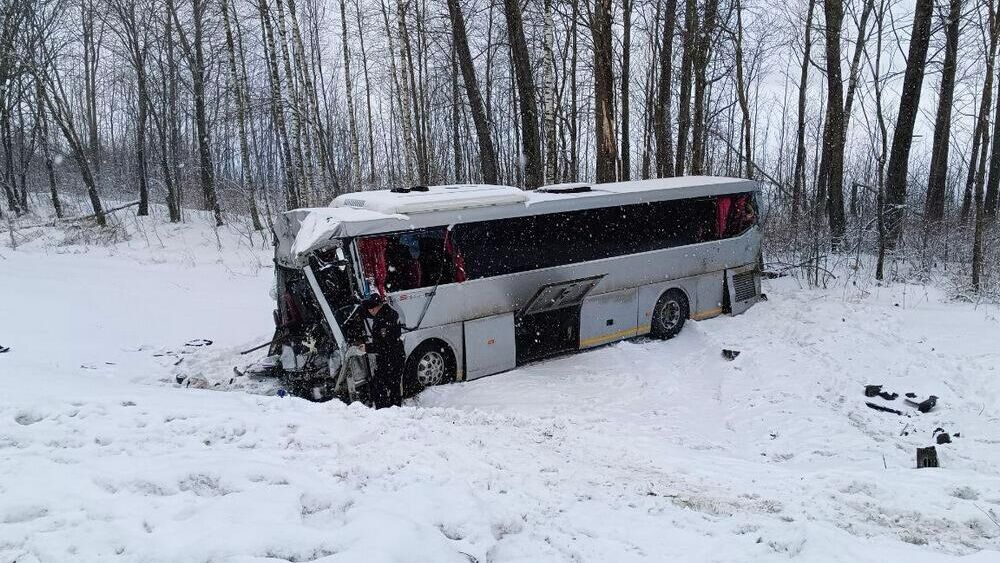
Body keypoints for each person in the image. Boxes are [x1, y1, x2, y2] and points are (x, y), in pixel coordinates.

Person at [362, 292, 405, 408]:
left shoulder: (384, 320)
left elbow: (385, 345)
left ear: (375, 307)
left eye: (370, 309)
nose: (369, 312)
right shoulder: (387, 313)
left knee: (382, 386)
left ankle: (385, 412)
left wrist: (367, 348)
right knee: (393, 386)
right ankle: (393, 410)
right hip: (393, 358)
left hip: (391, 359)